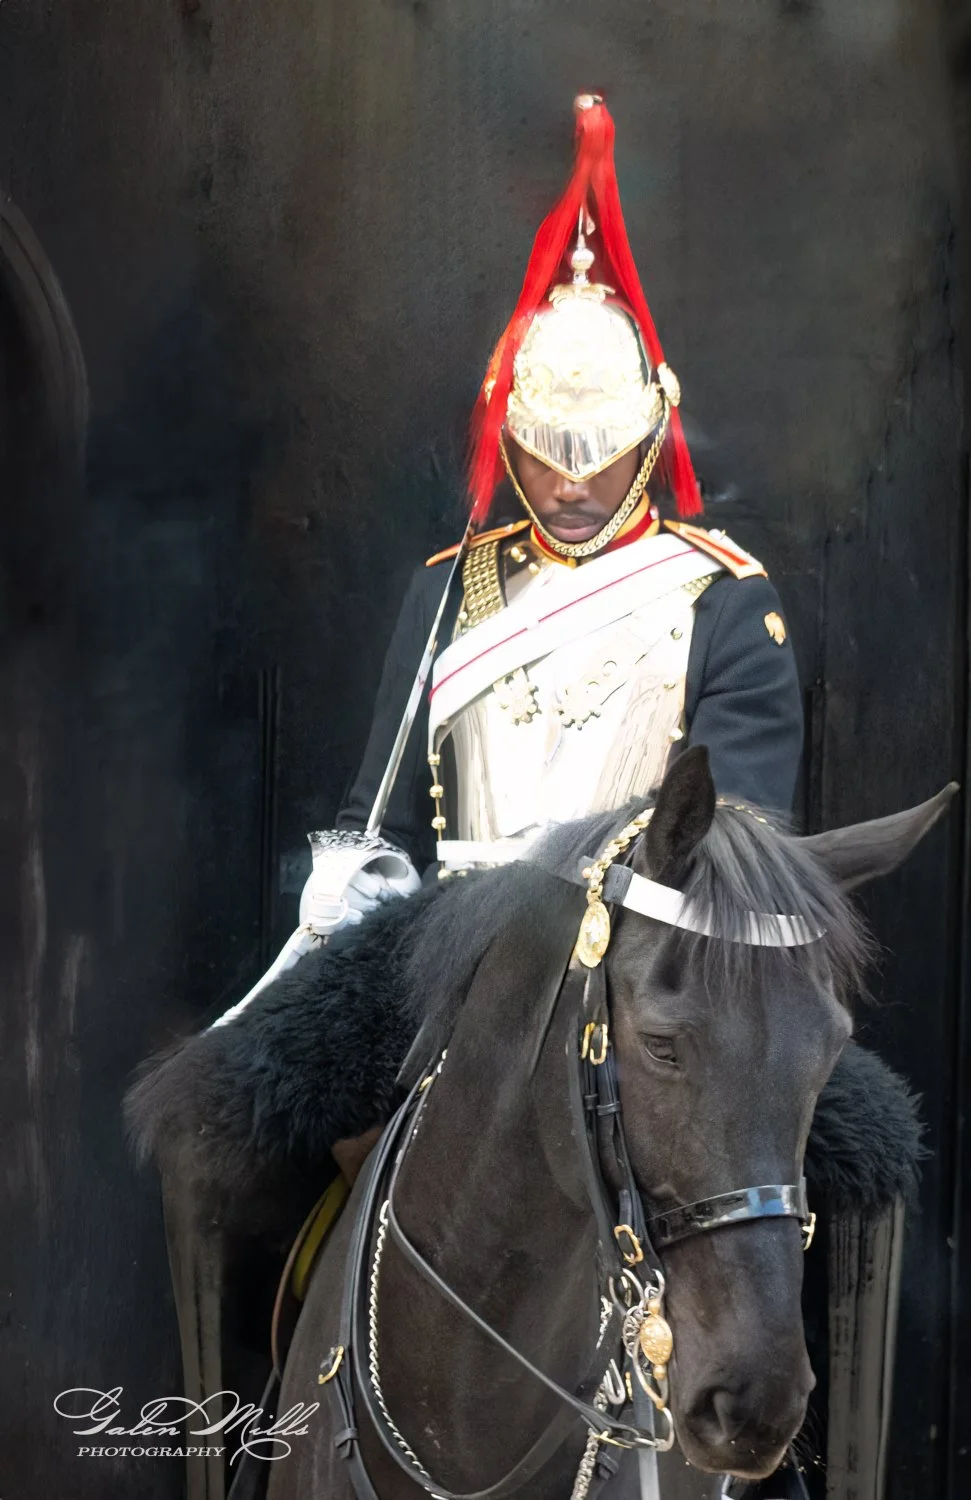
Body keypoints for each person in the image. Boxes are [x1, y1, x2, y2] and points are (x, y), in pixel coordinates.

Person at [223, 93, 805, 1013]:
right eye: (544, 454)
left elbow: (732, 857)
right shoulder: (449, 588)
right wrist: (358, 878)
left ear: (649, 439)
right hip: (456, 973)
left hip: (646, 988)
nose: (571, 484)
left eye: (599, 457)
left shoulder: (723, 601)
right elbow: (386, 813)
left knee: (832, 1141)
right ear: (509, 438)